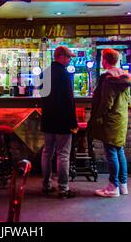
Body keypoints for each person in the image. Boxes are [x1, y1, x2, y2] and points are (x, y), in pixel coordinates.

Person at [88, 48, 131, 197]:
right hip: (121, 117)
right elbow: (128, 100)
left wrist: (96, 117)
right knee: (119, 150)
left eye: (102, 58)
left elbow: (106, 102)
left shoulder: (109, 78)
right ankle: (123, 185)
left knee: (111, 152)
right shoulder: (125, 77)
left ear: (105, 61)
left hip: (110, 119)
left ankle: (113, 187)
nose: (101, 61)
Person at [40, 45, 78, 199]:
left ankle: (46, 185)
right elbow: (69, 101)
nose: (69, 60)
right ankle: (63, 188)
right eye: (68, 57)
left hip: (48, 119)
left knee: (47, 153)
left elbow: (43, 97)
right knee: (63, 155)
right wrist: (73, 122)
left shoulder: (44, 73)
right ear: (61, 56)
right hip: (62, 120)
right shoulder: (64, 74)